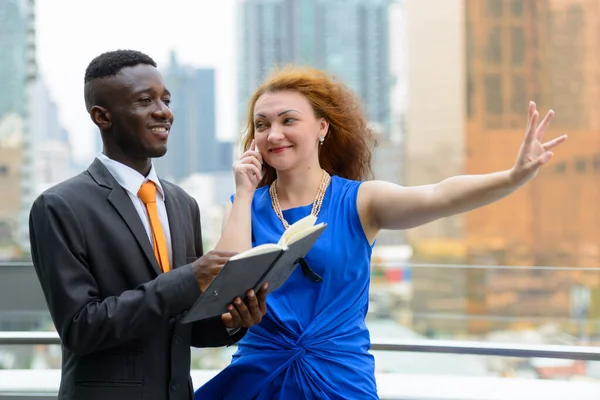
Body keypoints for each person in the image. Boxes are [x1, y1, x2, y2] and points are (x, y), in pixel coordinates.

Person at [194, 65, 567, 399]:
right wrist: (244, 193)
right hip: (257, 380)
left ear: (322, 127)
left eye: (288, 120)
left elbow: (440, 194)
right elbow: (224, 285)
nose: (274, 134)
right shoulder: (242, 205)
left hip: (339, 382)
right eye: (262, 125)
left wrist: (513, 176)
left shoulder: (360, 201)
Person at [28, 49, 268, 400]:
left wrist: (233, 323)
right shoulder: (59, 206)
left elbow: (185, 325)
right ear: (102, 116)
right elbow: (80, 329)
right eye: (145, 100)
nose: (164, 111)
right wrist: (191, 277)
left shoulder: (183, 204)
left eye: (166, 99)